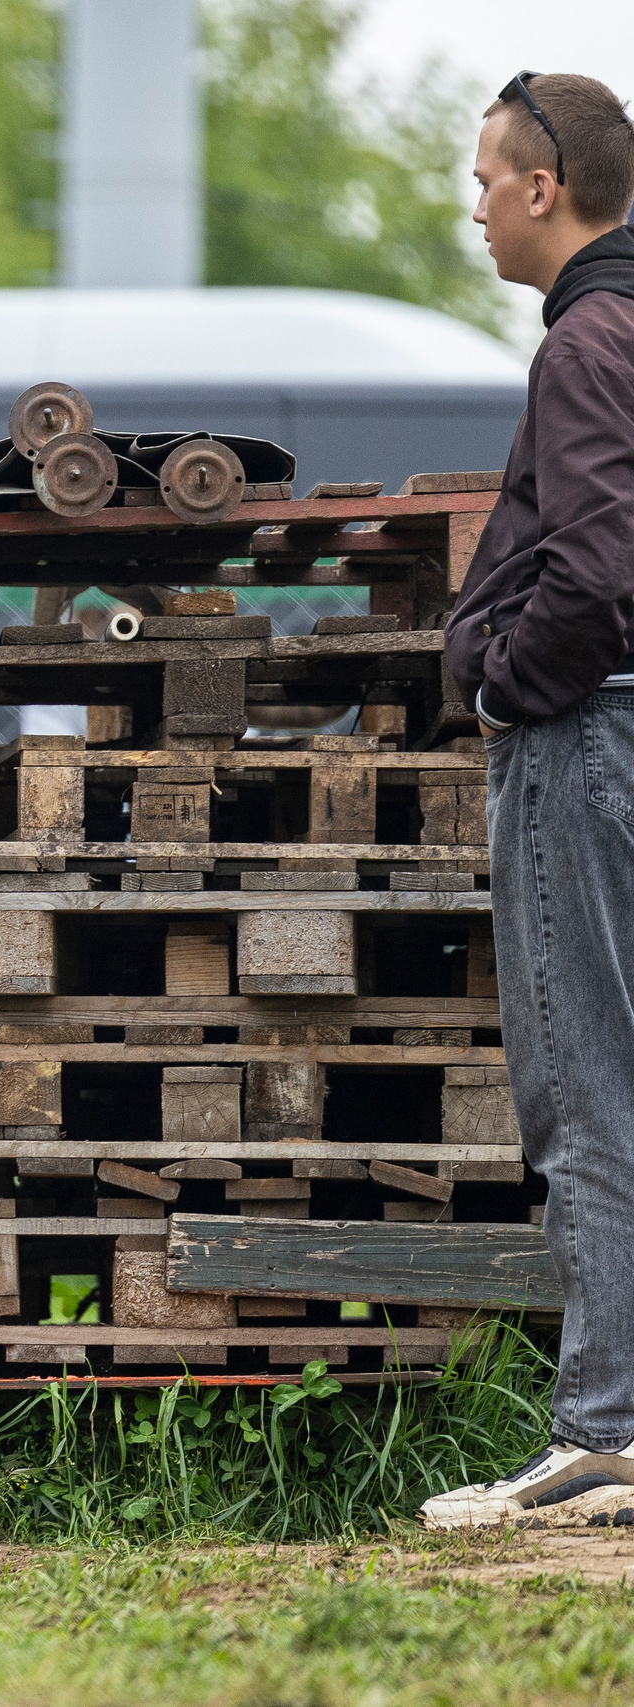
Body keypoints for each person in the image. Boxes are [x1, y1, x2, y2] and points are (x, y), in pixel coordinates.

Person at [429, 72, 634, 1529]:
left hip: (584, 743)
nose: (478, 206)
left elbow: (597, 572)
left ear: (544, 187)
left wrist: (505, 686)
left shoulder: (585, 343)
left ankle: (607, 1432)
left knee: (584, 1088)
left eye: (488, 180)